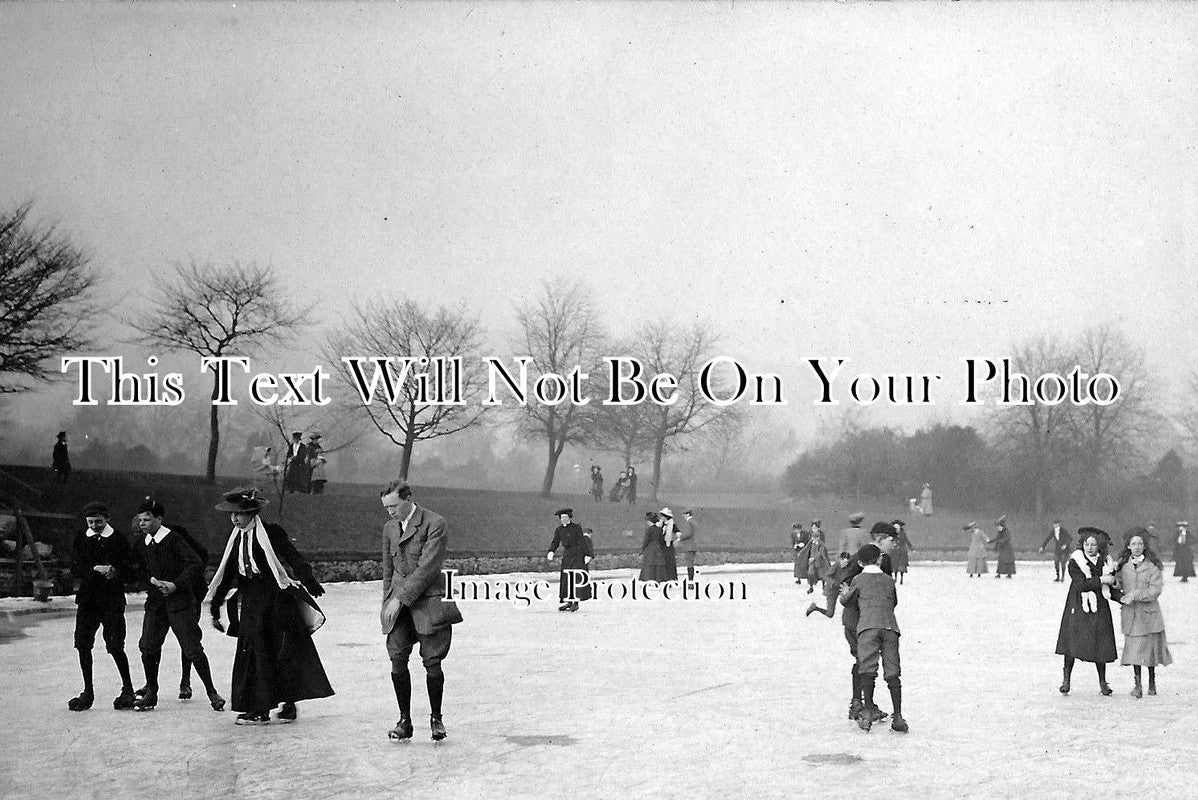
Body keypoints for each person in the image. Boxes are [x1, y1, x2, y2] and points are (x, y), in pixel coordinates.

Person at [206, 488, 333, 725]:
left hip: (276, 599)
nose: (234, 519)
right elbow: (229, 573)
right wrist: (215, 605)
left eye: (239, 514)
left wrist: (309, 580)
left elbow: (292, 556)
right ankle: (264, 705)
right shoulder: (236, 538)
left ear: (253, 512)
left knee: (277, 650)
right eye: (231, 514)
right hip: (253, 601)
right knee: (255, 651)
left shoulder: (271, 533)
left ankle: (271, 707)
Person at [380, 480, 463, 741]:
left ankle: (436, 719)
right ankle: (404, 721)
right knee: (396, 658)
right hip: (399, 604)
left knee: (432, 662)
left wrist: (399, 598)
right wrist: (387, 602)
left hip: (429, 600)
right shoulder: (389, 528)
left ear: (408, 499)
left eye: (394, 506)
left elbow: (428, 567)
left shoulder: (435, 523)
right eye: (386, 507)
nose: (390, 512)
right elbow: (387, 570)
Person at [131, 499, 225, 713]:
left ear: (159, 519)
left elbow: (195, 563)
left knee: (192, 648)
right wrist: (151, 581)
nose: (143, 523)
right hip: (156, 604)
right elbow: (137, 566)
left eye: (147, 519)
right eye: (141, 520)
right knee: (148, 646)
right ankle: (152, 691)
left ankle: (212, 692)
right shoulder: (143, 543)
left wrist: (175, 584)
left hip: (179, 602)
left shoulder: (173, 539)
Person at [67, 502, 137, 711]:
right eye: (91, 522)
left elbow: (130, 571)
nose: (95, 525)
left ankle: (128, 689)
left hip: (111, 601)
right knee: (83, 644)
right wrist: (94, 568)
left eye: (99, 521)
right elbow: (75, 567)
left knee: (115, 645)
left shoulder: (118, 539)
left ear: (107, 518)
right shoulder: (81, 539)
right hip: (88, 600)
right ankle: (87, 691)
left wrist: (115, 571)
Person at [840, 543, 908, 733]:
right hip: (889, 627)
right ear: (879, 559)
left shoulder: (858, 580)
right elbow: (893, 602)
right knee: (893, 671)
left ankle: (868, 710)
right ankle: (898, 715)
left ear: (860, 562)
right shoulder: (888, 580)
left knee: (868, 669)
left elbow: (847, 601)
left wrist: (845, 594)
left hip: (867, 628)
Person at [1054, 528, 1118, 696]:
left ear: (1099, 546)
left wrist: (1119, 593)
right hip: (1079, 604)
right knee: (1072, 643)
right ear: (1082, 545)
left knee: (1101, 644)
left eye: (1093, 545)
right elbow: (1081, 584)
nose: (1089, 548)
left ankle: (1103, 682)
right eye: (1086, 544)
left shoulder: (1105, 562)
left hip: (1100, 607)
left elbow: (1111, 585)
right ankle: (1066, 680)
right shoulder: (1076, 561)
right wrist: (1102, 580)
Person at [1115, 529, 1172, 698]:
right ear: (1128, 546)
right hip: (1131, 616)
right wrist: (1116, 584)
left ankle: (1152, 683)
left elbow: (1155, 590)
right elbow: (1118, 582)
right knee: (1134, 652)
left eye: (1140, 543)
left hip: (1149, 616)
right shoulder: (1123, 566)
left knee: (1149, 652)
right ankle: (1138, 684)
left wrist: (1135, 595)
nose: (1137, 547)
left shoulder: (1152, 567)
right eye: (1134, 544)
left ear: (1145, 546)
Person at [547, 508, 593, 612]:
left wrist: (587, 554)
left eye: (565, 517)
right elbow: (555, 541)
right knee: (567, 578)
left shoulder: (576, 527)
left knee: (576, 578)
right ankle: (569, 601)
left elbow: (582, 541)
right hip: (567, 555)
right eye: (562, 517)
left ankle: (575, 603)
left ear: (569, 517)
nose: (563, 519)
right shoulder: (559, 530)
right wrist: (551, 551)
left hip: (577, 555)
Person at [638, 512, 673, 582]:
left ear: (649, 521)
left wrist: (642, 550)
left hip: (650, 550)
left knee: (649, 566)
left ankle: (649, 580)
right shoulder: (659, 529)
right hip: (659, 550)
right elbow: (661, 540)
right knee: (657, 566)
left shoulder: (649, 530)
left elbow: (646, 541)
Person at [806, 525, 831, 595]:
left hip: (820, 562)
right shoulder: (811, 542)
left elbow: (820, 552)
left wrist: (813, 558)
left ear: (818, 537)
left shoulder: (821, 544)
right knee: (810, 573)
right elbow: (806, 547)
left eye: (815, 538)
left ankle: (824, 587)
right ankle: (811, 587)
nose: (814, 539)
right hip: (812, 562)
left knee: (822, 575)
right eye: (813, 538)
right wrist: (800, 553)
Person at [677, 509, 699, 581]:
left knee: (689, 564)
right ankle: (691, 580)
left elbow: (687, 534)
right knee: (691, 563)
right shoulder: (694, 522)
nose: (683, 516)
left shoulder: (688, 522)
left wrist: (680, 537)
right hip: (693, 545)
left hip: (689, 546)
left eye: (684, 514)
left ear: (688, 514)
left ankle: (690, 582)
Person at [891, 520, 914, 584]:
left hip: (901, 551)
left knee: (901, 566)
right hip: (896, 551)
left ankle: (901, 578)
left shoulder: (902, 533)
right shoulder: (892, 534)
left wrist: (911, 548)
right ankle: (896, 578)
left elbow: (907, 541)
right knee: (895, 565)